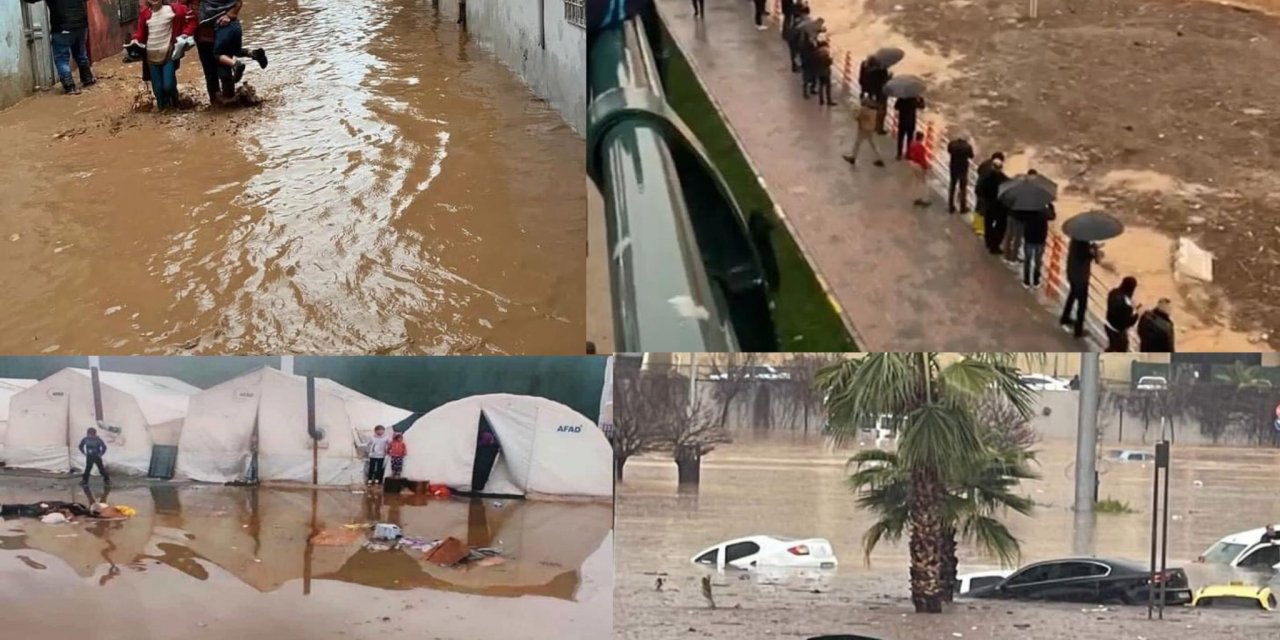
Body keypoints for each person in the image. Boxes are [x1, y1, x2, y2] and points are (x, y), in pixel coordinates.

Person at [131, 0, 197, 111]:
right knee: (158, 91)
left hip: (168, 54)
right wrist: (135, 40)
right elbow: (140, 33)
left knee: (169, 85)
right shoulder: (145, 14)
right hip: (151, 57)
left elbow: (192, 18)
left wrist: (186, 34)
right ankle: (163, 113)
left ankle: (176, 103)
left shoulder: (174, 10)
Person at [197, 0, 269, 100]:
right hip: (203, 36)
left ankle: (229, 103)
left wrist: (230, 15)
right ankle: (216, 107)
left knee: (224, 73)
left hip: (222, 30)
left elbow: (238, 2)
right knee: (210, 73)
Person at [24, 0, 94, 94]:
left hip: (62, 26)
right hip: (81, 25)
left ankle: (70, 87)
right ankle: (88, 79)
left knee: (61, 58)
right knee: (81, 54)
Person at [1059, 240, 1099, 339]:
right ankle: (1078, 329)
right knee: (1082, 304)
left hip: (1072, 274)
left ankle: (1065, 317)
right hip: (1081, 278)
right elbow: (1094, 259)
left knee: (1072, 295)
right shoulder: (1084, 247)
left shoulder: (1075, 241)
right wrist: (1094, 250)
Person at [975, 156, 1009, 253]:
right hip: (1000, 206)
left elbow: (979, 190)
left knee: (988, 224)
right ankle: (995, 245)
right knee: (1001, 226)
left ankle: (988, 242)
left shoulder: (986, 178)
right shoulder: (1005, 180)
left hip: (988, 204)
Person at [842, 96, 885, 168]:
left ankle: (853, 158)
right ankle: (880, 159)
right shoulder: (874, 111)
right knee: (873, 144)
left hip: (863, 129)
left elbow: (856, 117)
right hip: (871, 129)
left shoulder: (864, 110)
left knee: (857, 143)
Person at [1022, 202, 1055, 288]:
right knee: (1038, 261)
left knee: (1027, 260)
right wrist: (1051, 206)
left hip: (1029, 238)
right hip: (1040, 239)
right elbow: (1052, 216)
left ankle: (1026, 281)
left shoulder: (1028, 209)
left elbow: (1022, 217)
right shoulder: (1044, 210)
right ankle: (1036, 281)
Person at [1104, 277, 1141, 352]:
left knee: (1112, 345)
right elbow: (1128, 322)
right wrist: (1137, 314)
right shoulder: (1127, 305)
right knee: (1122, 349)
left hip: (1107, 325)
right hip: (1118, 331)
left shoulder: (1113, 292)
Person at [946, 135, 974, 214]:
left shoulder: (952, 144)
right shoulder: (967, 147)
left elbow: (948, 150)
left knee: (952, 187)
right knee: (963, 189)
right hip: (963, 169)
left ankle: (951, 206)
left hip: (953, 167)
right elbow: (971, 156)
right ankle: (962, 207)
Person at [905, 132, 931, 207]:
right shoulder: (921, 147)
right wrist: (926, 167)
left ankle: (916, 197)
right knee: (924, 183)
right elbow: (921, 159)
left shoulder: (912, 144)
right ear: (922, 138)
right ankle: (924, 199)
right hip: (918, 165)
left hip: (912, 163)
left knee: (917, 181)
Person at [786, 5, 812, 73]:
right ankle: (796, 67)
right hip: (795, 40)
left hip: (792, 38)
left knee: (794, 54)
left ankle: (795, 66)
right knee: (796, 53)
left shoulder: (797, 19)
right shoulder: (802, 21)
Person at [813, 34, 834, 106]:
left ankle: (821, 100)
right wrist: (831, 59)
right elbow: (828, 63)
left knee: (821, 85)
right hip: (826, 72)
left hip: (819, 71)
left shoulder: (816, 52)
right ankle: (829, 100)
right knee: (828, 86)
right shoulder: (825, 53)